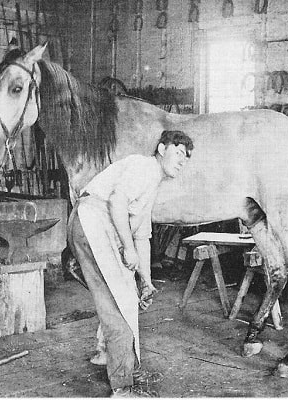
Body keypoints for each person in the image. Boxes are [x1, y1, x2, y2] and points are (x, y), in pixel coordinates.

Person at [68, 130, 194, 397]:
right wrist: (126, 249)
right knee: (120, 306)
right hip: (94, 222)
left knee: (125, 300)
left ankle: (112, 359)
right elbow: (116, 202)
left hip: (94, 225)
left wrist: (146, 281)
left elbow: (142, 237)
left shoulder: (152, 183)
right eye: (179, 152)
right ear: (161, 149)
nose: (182, 160)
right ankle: (122, 388)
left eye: (187, 157)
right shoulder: (144, 166)